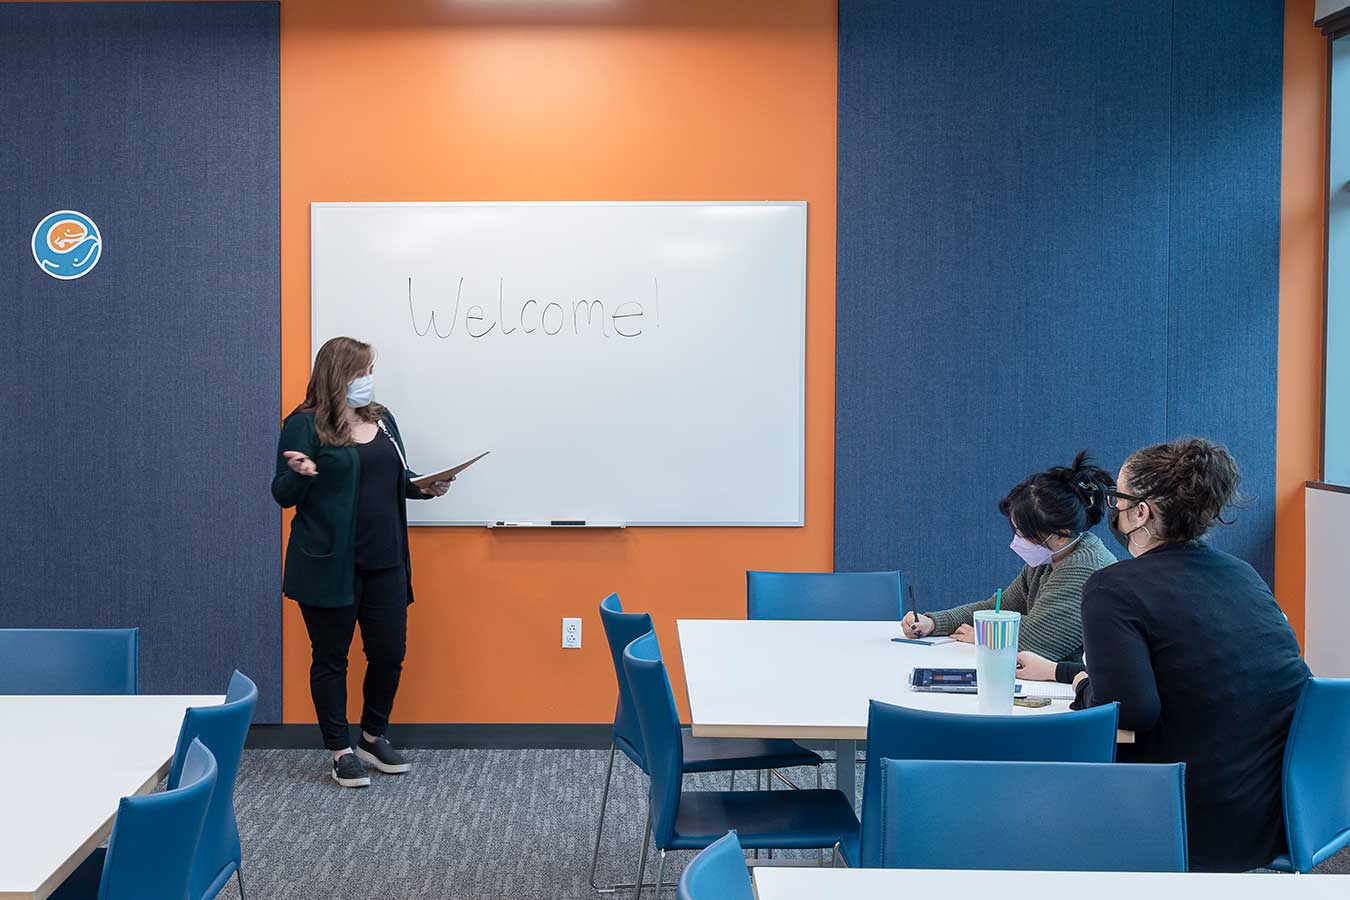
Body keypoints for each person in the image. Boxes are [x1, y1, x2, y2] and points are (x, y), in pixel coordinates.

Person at [1032, 437, 1309, 872]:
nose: (1112, 510)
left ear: (1140, 512)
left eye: (1116, 499)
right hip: (1274, 821)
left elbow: (1128, 712)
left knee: (1032, 802)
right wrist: (1075, 674)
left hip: (1180, 822)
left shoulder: (1112, 588)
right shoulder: (1244, 576)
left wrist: (1084, 684)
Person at [272, 336, 452, 788]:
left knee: (389, 653)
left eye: (371, 371)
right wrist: (300, 473)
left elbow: (399, 477)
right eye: (362, 372)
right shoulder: (304, 425)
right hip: (329, 564)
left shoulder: (383, 419)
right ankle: (340, 750)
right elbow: (282, 494)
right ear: (339, 376)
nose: (369, 381)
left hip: (385, 559)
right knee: (331, 658)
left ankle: (372, 735)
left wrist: (424, 486)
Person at [902, 451, 1117, 661]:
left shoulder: (1083, 568)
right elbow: (998, 607)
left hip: (1076, 686)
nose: (1018, 539)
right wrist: (933, 623)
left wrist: (980, 636)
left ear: (1060, 535)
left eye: (1023, 533)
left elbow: (1037, 641)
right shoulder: (1049, 557)